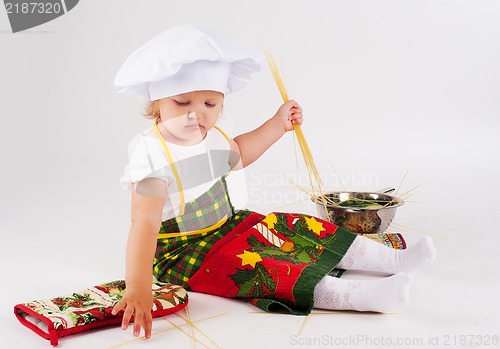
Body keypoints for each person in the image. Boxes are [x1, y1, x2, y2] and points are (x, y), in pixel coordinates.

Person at [111, 24, 436, 339]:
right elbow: (144, 223)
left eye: (210, 104)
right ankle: (359, 297)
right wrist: (138, 287)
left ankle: (393, 260)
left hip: (230, 224)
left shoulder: (211, 136)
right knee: (264, 269)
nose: (197, 114)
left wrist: (277, 124)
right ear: (156, 103)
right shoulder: (151, 157)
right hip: (186, 252)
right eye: (182, 103)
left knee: (298, 229)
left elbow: (239, 152)